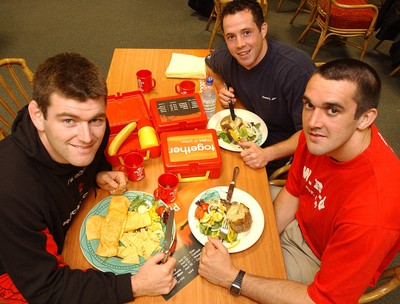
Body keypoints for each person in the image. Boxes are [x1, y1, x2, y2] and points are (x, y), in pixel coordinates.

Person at [198, 59, 400, 303]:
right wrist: (263, 240)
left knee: (218, 293)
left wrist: (233, 277)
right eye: (308, 105)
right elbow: (294, 190)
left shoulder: (373, 214)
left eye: (333, 110)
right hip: (301, 217)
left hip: (317, 257)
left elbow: (321, 300)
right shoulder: (322, 136)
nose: (313, 122)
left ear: (366, 118)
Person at [0, 53, 176, 303]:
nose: (86, 137)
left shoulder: (93, 131)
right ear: (38, 116)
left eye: (95, 119)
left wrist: (97, 173)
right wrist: (135, 285)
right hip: (14, 274)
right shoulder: (11, 190)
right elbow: (46, 290)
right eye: (69, 120)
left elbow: (82, 163)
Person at [205, 0, 316, 175]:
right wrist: (221, 87)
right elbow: (209, 65)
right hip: (243, 141)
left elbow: (311, 133)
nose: (240, 44)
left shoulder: (295, 72)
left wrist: (267, 154)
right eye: (231, 36)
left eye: (247, 33)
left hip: (280, 155)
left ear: (263, 29)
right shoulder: (227, 56)